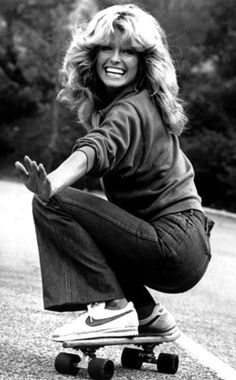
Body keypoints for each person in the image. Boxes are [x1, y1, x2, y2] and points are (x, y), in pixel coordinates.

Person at [15, 4, 214, 342]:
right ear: (91, 54)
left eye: (129, 51)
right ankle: (147, 314)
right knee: (92, 226)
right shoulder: (139, 102)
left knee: (52, 204)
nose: (116, 58)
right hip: (187, 244)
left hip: (172, 241)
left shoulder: (130, 108)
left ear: (144, 61)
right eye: (107, 47)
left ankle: (112, 308)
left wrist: (53, 183)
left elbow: (96, 148)